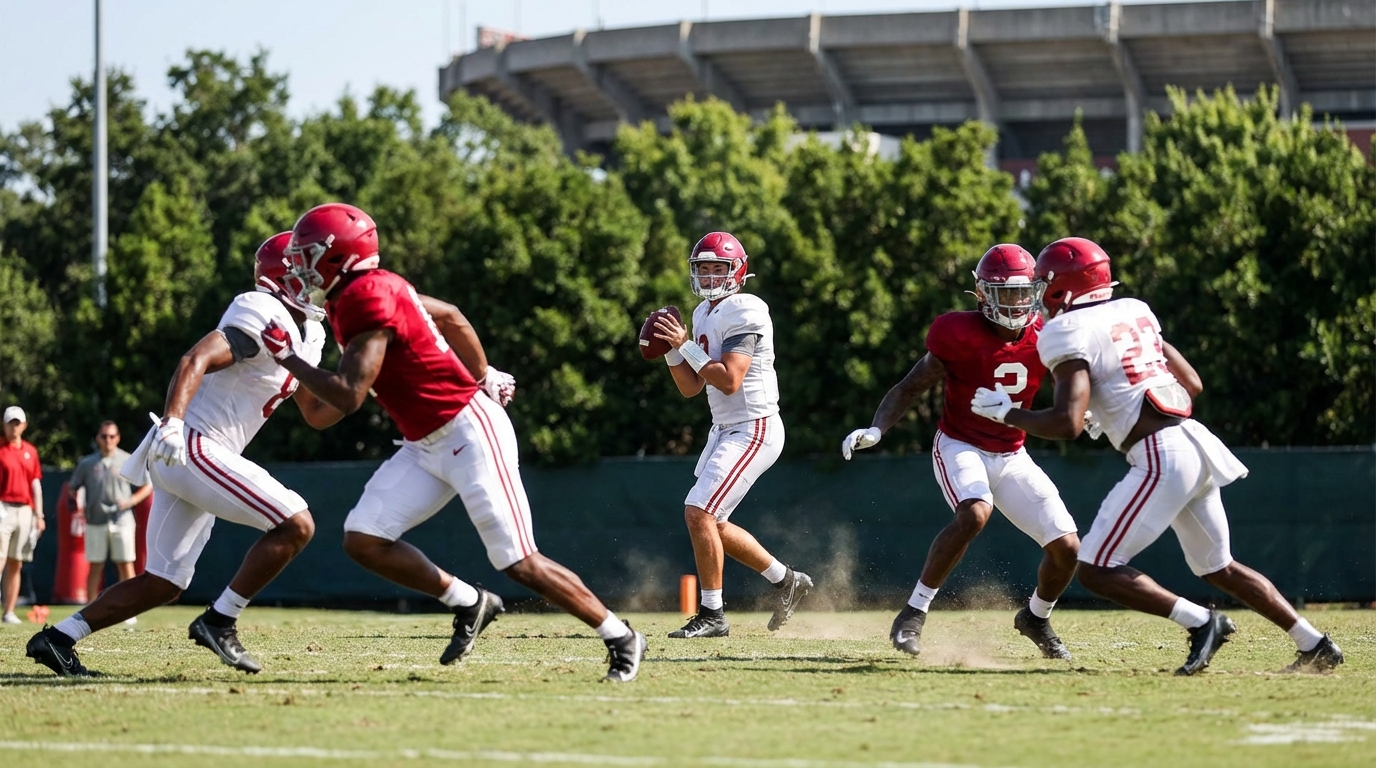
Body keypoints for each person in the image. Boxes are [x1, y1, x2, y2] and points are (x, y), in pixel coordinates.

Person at [260, 202, 647, 683]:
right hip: (424, 442)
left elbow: (350, 396)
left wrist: (289, 358)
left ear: (340, 255)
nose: (300, 264)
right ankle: (469, 601)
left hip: (468, 430)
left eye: (308, 253)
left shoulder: (366, 297)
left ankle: (620, 636)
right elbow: (451, 316)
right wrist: (483, 373)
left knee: (518, 560)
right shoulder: (362, 293)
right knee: (364, 538)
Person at [969, 236, 1343, 674]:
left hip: (1161, 455)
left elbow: (1067, 424)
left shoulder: (1065, 330)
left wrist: (1011, 413)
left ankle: (1202, 623)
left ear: (1060, 287)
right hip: (1195, 441)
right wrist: (1109, 405)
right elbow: (1191, 384)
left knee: (1095, 567)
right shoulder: (1136, 311)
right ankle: (1313, 643)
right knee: (1218, 566)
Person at [26, 233, 337, 677]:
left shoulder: (308, 335)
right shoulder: (263, 311)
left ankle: (56, 639)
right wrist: (173, 422)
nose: (314, 284)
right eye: (305, 276)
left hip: (195, 455)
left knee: (166, 581)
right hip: (192, 443)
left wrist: (360, 389)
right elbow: (196, 358)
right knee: (296, 522)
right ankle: (220, 620)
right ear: (281, 278)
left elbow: (317, 413)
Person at [841, 244, 1081, 660]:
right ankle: (913, 613)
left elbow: (1074, 385)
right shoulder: (957, 333)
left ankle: (1036, 618)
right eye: (1004, 293)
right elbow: (910, 386)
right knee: (974, 512)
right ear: (982, 295)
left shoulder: (1049, 335)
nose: (1016, 302)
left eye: (1023, 292)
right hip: (960, 443)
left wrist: (1089, 410)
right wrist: (878, 428)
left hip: (1012, 453)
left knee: (1068, 547)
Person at [651, 231, 813, 639]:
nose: (708, 276)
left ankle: (712, 614)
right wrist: (671, 350)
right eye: (702, 269)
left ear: (737, 271)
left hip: (754, 426)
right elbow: (691, 387)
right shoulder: (703, 313)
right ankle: (786, 580)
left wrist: (685, 346)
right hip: (725, 429)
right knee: (713, 521)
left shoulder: (747, 309)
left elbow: (729, 380)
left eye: (716, 268)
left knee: (698, 512)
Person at [70, 421, 153, 613]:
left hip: (122, 519)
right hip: (95, 520)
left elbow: (147, 486)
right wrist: (78, 505)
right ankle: (88, 610)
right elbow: (73, 488)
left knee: (125, 564)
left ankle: (130, 609)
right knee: (95, 565)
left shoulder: (128, 459)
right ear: (98, 438)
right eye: (104, 436)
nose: (108, 440)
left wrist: (130, 501)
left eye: (112, 436)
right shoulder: (87, 463)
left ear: (118, 438)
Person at [0, 406, 43, 625]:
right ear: (4, 424)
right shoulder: (0, 449)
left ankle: (8, 611)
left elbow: (35, 483)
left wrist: (40, 515)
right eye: (10, 423)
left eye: (18, 423)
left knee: (16, 562)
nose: (14, 427)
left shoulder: (30, 451)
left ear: (24, 425)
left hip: (25, 511)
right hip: (3, 508)